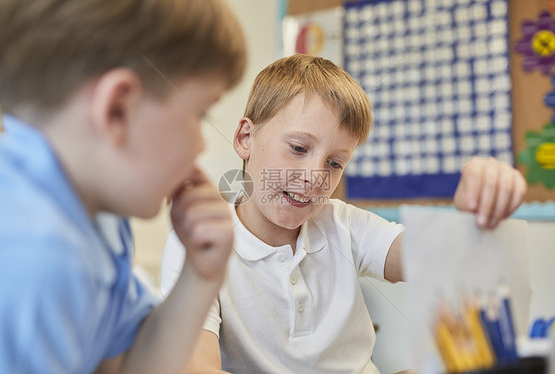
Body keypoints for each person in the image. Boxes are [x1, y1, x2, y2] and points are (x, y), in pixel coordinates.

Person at [161, 54, 527, 374]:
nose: (315, 177)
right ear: (245, 139)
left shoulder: (344, 224)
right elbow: (194, 367)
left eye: (335, 163)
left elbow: (441, 259)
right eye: (299, 147)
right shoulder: (199, 241)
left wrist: (471, 211)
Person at [0, 0, 246, 372]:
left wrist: (200, 274)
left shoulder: (97, 214)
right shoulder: (35, 253)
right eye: (199, 114)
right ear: (117, 109)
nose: (201, 144)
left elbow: (130, 365)